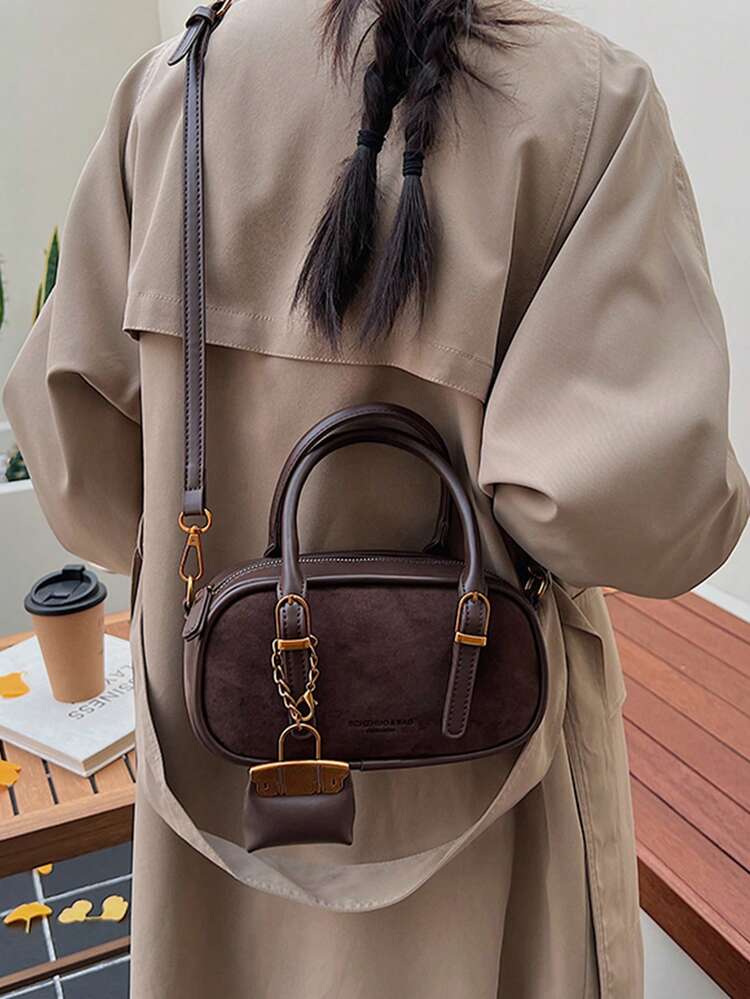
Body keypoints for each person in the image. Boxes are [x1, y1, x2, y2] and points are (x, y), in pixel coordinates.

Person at [4, 1, 748, 996]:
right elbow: (640, 516)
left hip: (222, 793)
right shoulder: (587, 103)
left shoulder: (174, 91)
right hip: (484, 802)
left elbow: (81, 483)